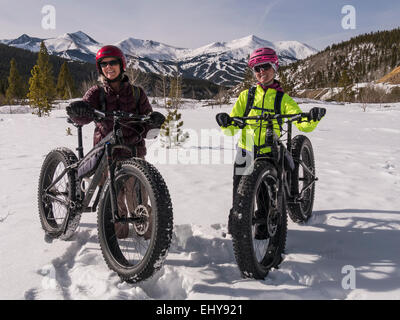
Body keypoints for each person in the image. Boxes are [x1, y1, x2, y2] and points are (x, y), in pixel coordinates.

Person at [215, 47, 326, 236]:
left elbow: (300, 121)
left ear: (274, 67)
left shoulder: (282, 99)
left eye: (265, 67)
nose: (261, 72)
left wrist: (312, 117)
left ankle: (265, 228)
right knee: (240, 192)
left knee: (267, 193)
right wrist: (225, 121)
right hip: (246, 149)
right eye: (256, 69)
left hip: (269, 149)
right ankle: (239, 229)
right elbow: (232, 127)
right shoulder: (246, 96)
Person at [66, 45, 164, 239]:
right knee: (114, 201)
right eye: (104, 64)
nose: (108, 67)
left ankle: (151, 240)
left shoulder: (137, 93)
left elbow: (146, 121)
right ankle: (118, 239)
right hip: (106, 153)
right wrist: (80, 111)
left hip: (133, 152)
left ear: (122, 65)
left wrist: (153, 121)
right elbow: (85, 113)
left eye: (112, 63)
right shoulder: (96, 92)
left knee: (139, 198)